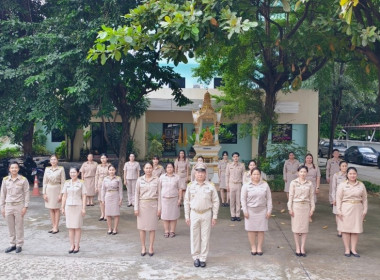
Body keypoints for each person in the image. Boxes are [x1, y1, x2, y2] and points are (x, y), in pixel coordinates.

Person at [184, 163, 219, 268]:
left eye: (202, 172)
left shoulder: (210, 186)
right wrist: (186, 216)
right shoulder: (190, 186)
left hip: (206, 213)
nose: (200, 174)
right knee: (194, 237)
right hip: (194, 213)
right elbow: (186, 201)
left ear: (205, 173)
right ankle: (196, 257)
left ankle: (203, 258)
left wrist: (215, 216)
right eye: (198, 172)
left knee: (205, 237)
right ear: (195, 173)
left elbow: (215, 201)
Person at [336, 167, 367, 258]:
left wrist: (365, 210)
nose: (352, 175)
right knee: (346, 230)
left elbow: (364, 199)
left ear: (356, 175)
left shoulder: (361, 185)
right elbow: (338, 198)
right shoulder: (342, 185)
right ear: (347, 175)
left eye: (354, 174)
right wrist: (339, 210)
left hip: (358, 209)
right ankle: (347, 249)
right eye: (350, 174)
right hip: (346, 208)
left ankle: (353, 249)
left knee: (355, 230)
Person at [241, 168, 272, 256]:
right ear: (251, 175)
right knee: (251, 230)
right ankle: (253, 247)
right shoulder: (246, 186)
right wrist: (245, 211)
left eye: (258, 174)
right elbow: (243, 199)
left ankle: (259, 247)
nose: (256, 176)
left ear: (260, 175)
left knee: (261, 230)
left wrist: (269, 210)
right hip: (250, 211)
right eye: (254, 174)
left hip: (262, 210)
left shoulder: (265, 185)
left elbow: (269, 199)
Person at [1, 162, 29, 253]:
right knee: (10, 226)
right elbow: (2, 194)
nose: (14, 169)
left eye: (16, 168)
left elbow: (26, 193)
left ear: (18, 169)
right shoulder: (5, 180)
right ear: (9, 169)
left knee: (19, 226)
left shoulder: (23, 180)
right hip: (8, 206)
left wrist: (25, 206)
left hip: (19, 205)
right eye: (12, 168)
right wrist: (2, 207)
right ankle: (12, 244)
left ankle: (19, 244)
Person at [287, 165, 315, 257]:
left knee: (304, 229)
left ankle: (302, 248)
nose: (303, 173)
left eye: (304, 172)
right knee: (296, 229)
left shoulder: (309, 183)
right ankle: (297, 247)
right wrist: (290, 208)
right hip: (296, 207)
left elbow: (311, 197)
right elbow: (290, 196)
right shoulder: (293, 183)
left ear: (307, 173)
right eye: (301, 172)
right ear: (298, 172)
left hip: (306, 207)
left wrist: (312, 209)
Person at [134, 162, 161, 257]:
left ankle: (151, 247)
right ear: (144, 169)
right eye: (146, 168)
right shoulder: (139, 180)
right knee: (142, 228)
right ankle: (143, 247)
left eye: (150, 168)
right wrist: (136, 208)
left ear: (152, 169)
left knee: (152, 228)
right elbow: (136, 194)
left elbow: (160, 195)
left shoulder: (157, 180)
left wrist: (159, 208)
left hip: (153, 205)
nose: (148, 170)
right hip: (142, 205)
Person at [61, 167, 86, 254]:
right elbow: (64, 196)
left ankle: (77, 245)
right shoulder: (67, 183)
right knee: (70, 227)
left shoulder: (81, 183)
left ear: (78, 173)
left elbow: (83, 196)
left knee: (77, 227)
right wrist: (62, 207)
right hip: (68, 206)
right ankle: (72, 245)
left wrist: (83, 208)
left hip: (78, 206)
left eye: (74, 172)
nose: (72, 174)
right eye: (71, 172)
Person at [42, 155, 65, 234]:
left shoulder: (61, 169)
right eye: (52, 160)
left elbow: (63, 182)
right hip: (49, 189)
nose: (53, 161)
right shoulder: (47, 169)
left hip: (57, 189)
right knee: (51, 208)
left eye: (55, 159)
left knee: (56, 208)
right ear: (50, 161)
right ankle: (53, 225)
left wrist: (61, 194)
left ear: (57, 161)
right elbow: (44, 182)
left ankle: (56, 227)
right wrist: (44, 193)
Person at [159, 162, 181, 238]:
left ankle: (172, 231)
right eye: (168, 167)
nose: (169, 168)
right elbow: (159, 188)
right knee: (165, 216)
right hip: (164, 199)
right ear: (166, 169)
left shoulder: (177, 177)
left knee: (173, 216)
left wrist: (180, 199)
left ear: (173, 168)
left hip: (174, 199)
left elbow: (180, 189)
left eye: (171, 167)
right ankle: (166, 231)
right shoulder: (162, 177)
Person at [101, 165, 123, 235]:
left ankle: (115, 229)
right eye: (110, 170)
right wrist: (102, 199)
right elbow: (103, 189)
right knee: (108, 214)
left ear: (115, 170)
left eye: (113, 170)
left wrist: (121, 199)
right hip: (107, 196)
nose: (111, 171)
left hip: (115, 195)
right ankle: (109, 228)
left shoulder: (118, 179)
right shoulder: (105, 179)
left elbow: (120, 190)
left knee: (116, 214)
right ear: (108, 171)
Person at [226, 152, 245, 221]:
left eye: (237, 156)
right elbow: (227, 175)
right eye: (234, 157)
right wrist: (227, 185)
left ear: (239, 157)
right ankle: (232, 215)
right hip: (231, 184)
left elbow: (243, 176)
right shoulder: (229, 165)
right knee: (232, 201)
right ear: (232, 158)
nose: (235, 158)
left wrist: (244, 185)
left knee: (238, 200)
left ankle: (238, 215)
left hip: (239, 184)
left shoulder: (242, 165)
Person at [331, 160, 348, 237]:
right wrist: (333, 199)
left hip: (347, 197)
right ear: (339, 167)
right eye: (343, 166)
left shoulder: (349, 175)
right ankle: (339, 230)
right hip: (338, 197)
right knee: (338, 213)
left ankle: (345, 228)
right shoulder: (336, 175)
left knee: (345, 213)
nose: (344, 167)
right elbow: (333, 188)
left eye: (345, 166)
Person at [95, 154, 110, 221]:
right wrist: (95, 186)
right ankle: (102, 214)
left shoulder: (109, 166)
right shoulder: (98, 166)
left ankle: (107, 214)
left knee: (106, 200)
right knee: (101, 200)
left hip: (107, 184)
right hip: (100, 184)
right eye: (102, 158)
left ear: (107, 159)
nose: (103, 159)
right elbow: (96, 176)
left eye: (104, 158)